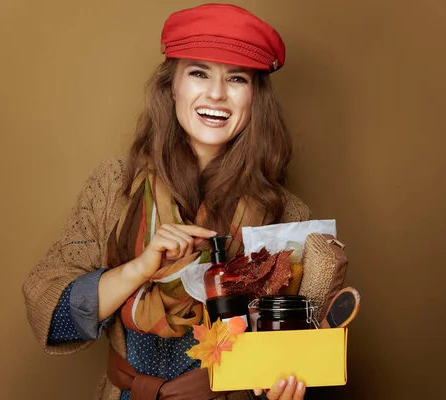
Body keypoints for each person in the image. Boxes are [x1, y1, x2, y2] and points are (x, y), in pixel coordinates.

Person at [23, 4, 312, 400]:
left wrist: (283, 382)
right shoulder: (113, 186)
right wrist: (139, 269)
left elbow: (293, 344)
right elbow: (53, 314)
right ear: (171, 85)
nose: (216, 93)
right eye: (198, 73)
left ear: (254, 97)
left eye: (237, 78)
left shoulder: (288, 215)